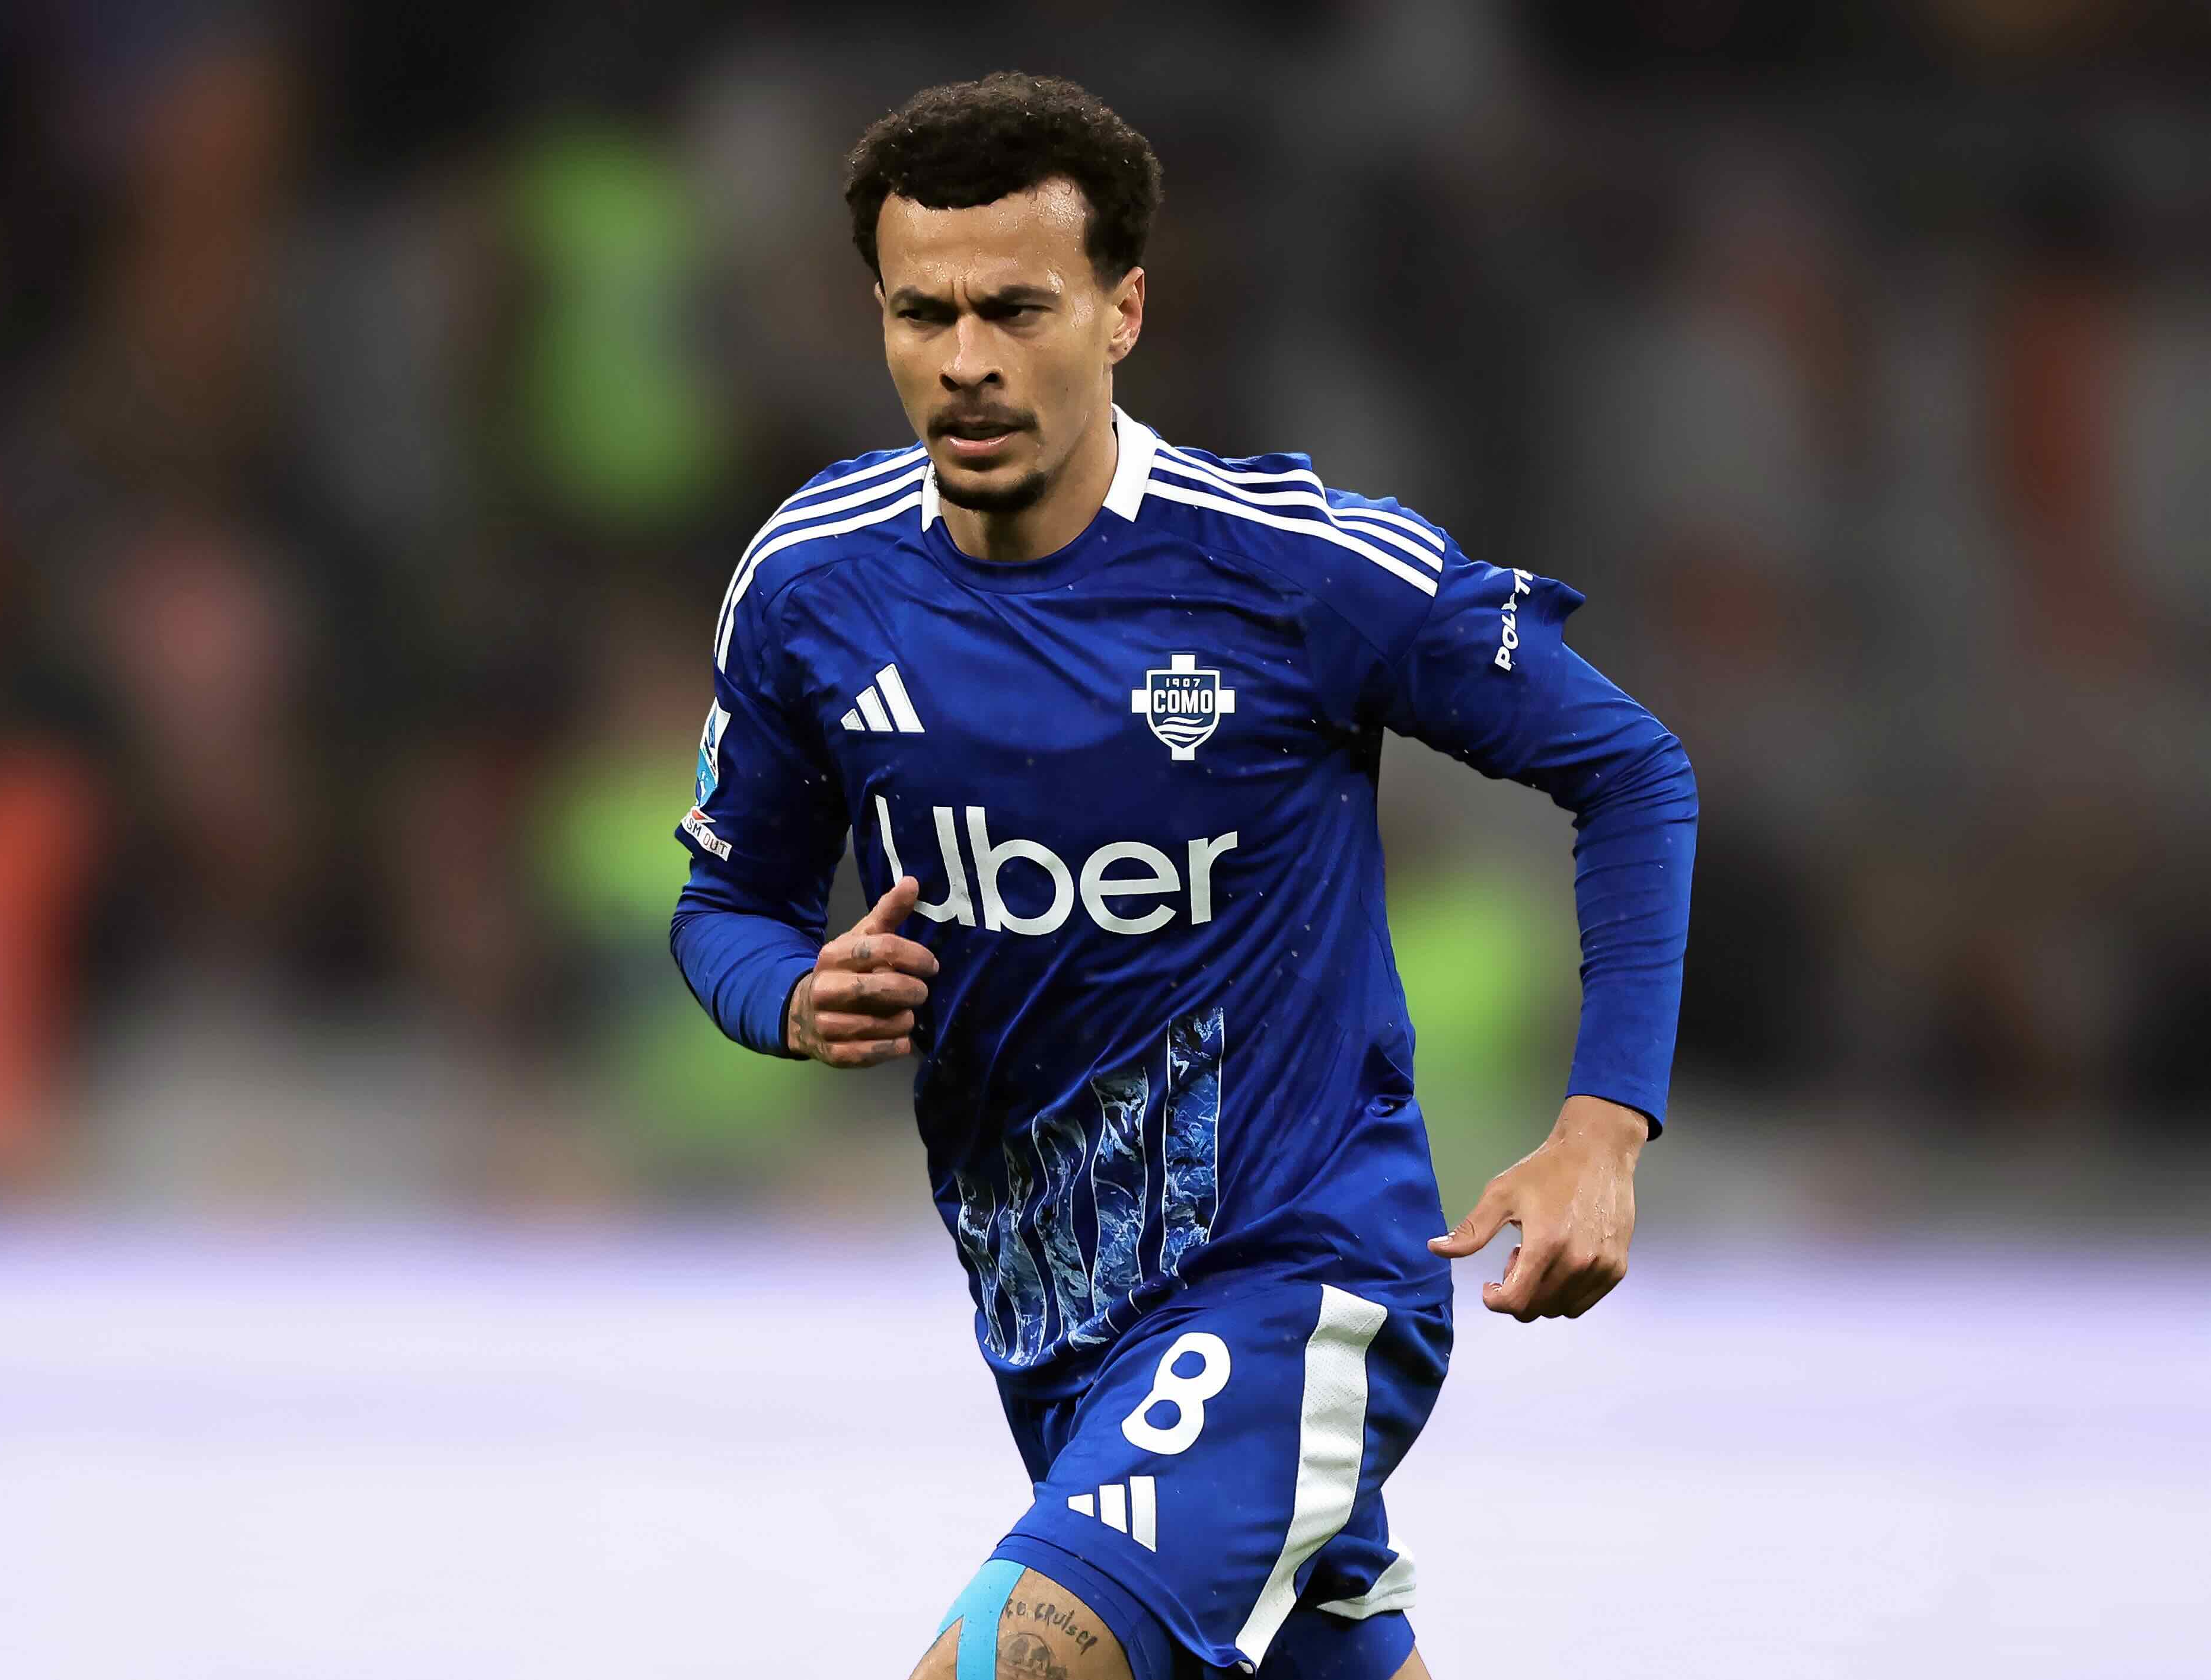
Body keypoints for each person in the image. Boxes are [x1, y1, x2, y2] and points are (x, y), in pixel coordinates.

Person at [669, 73, 1695, 1680]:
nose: (966, 359)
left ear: (1122, 310)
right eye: (923, 313)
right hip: (1053, 1319)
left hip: (1297, 1280)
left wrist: (1602, 1126)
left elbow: (1629, 767)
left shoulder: (1295, 567)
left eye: (1017, 309)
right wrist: (790, 994)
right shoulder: (815, 584)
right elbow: (727, 901)